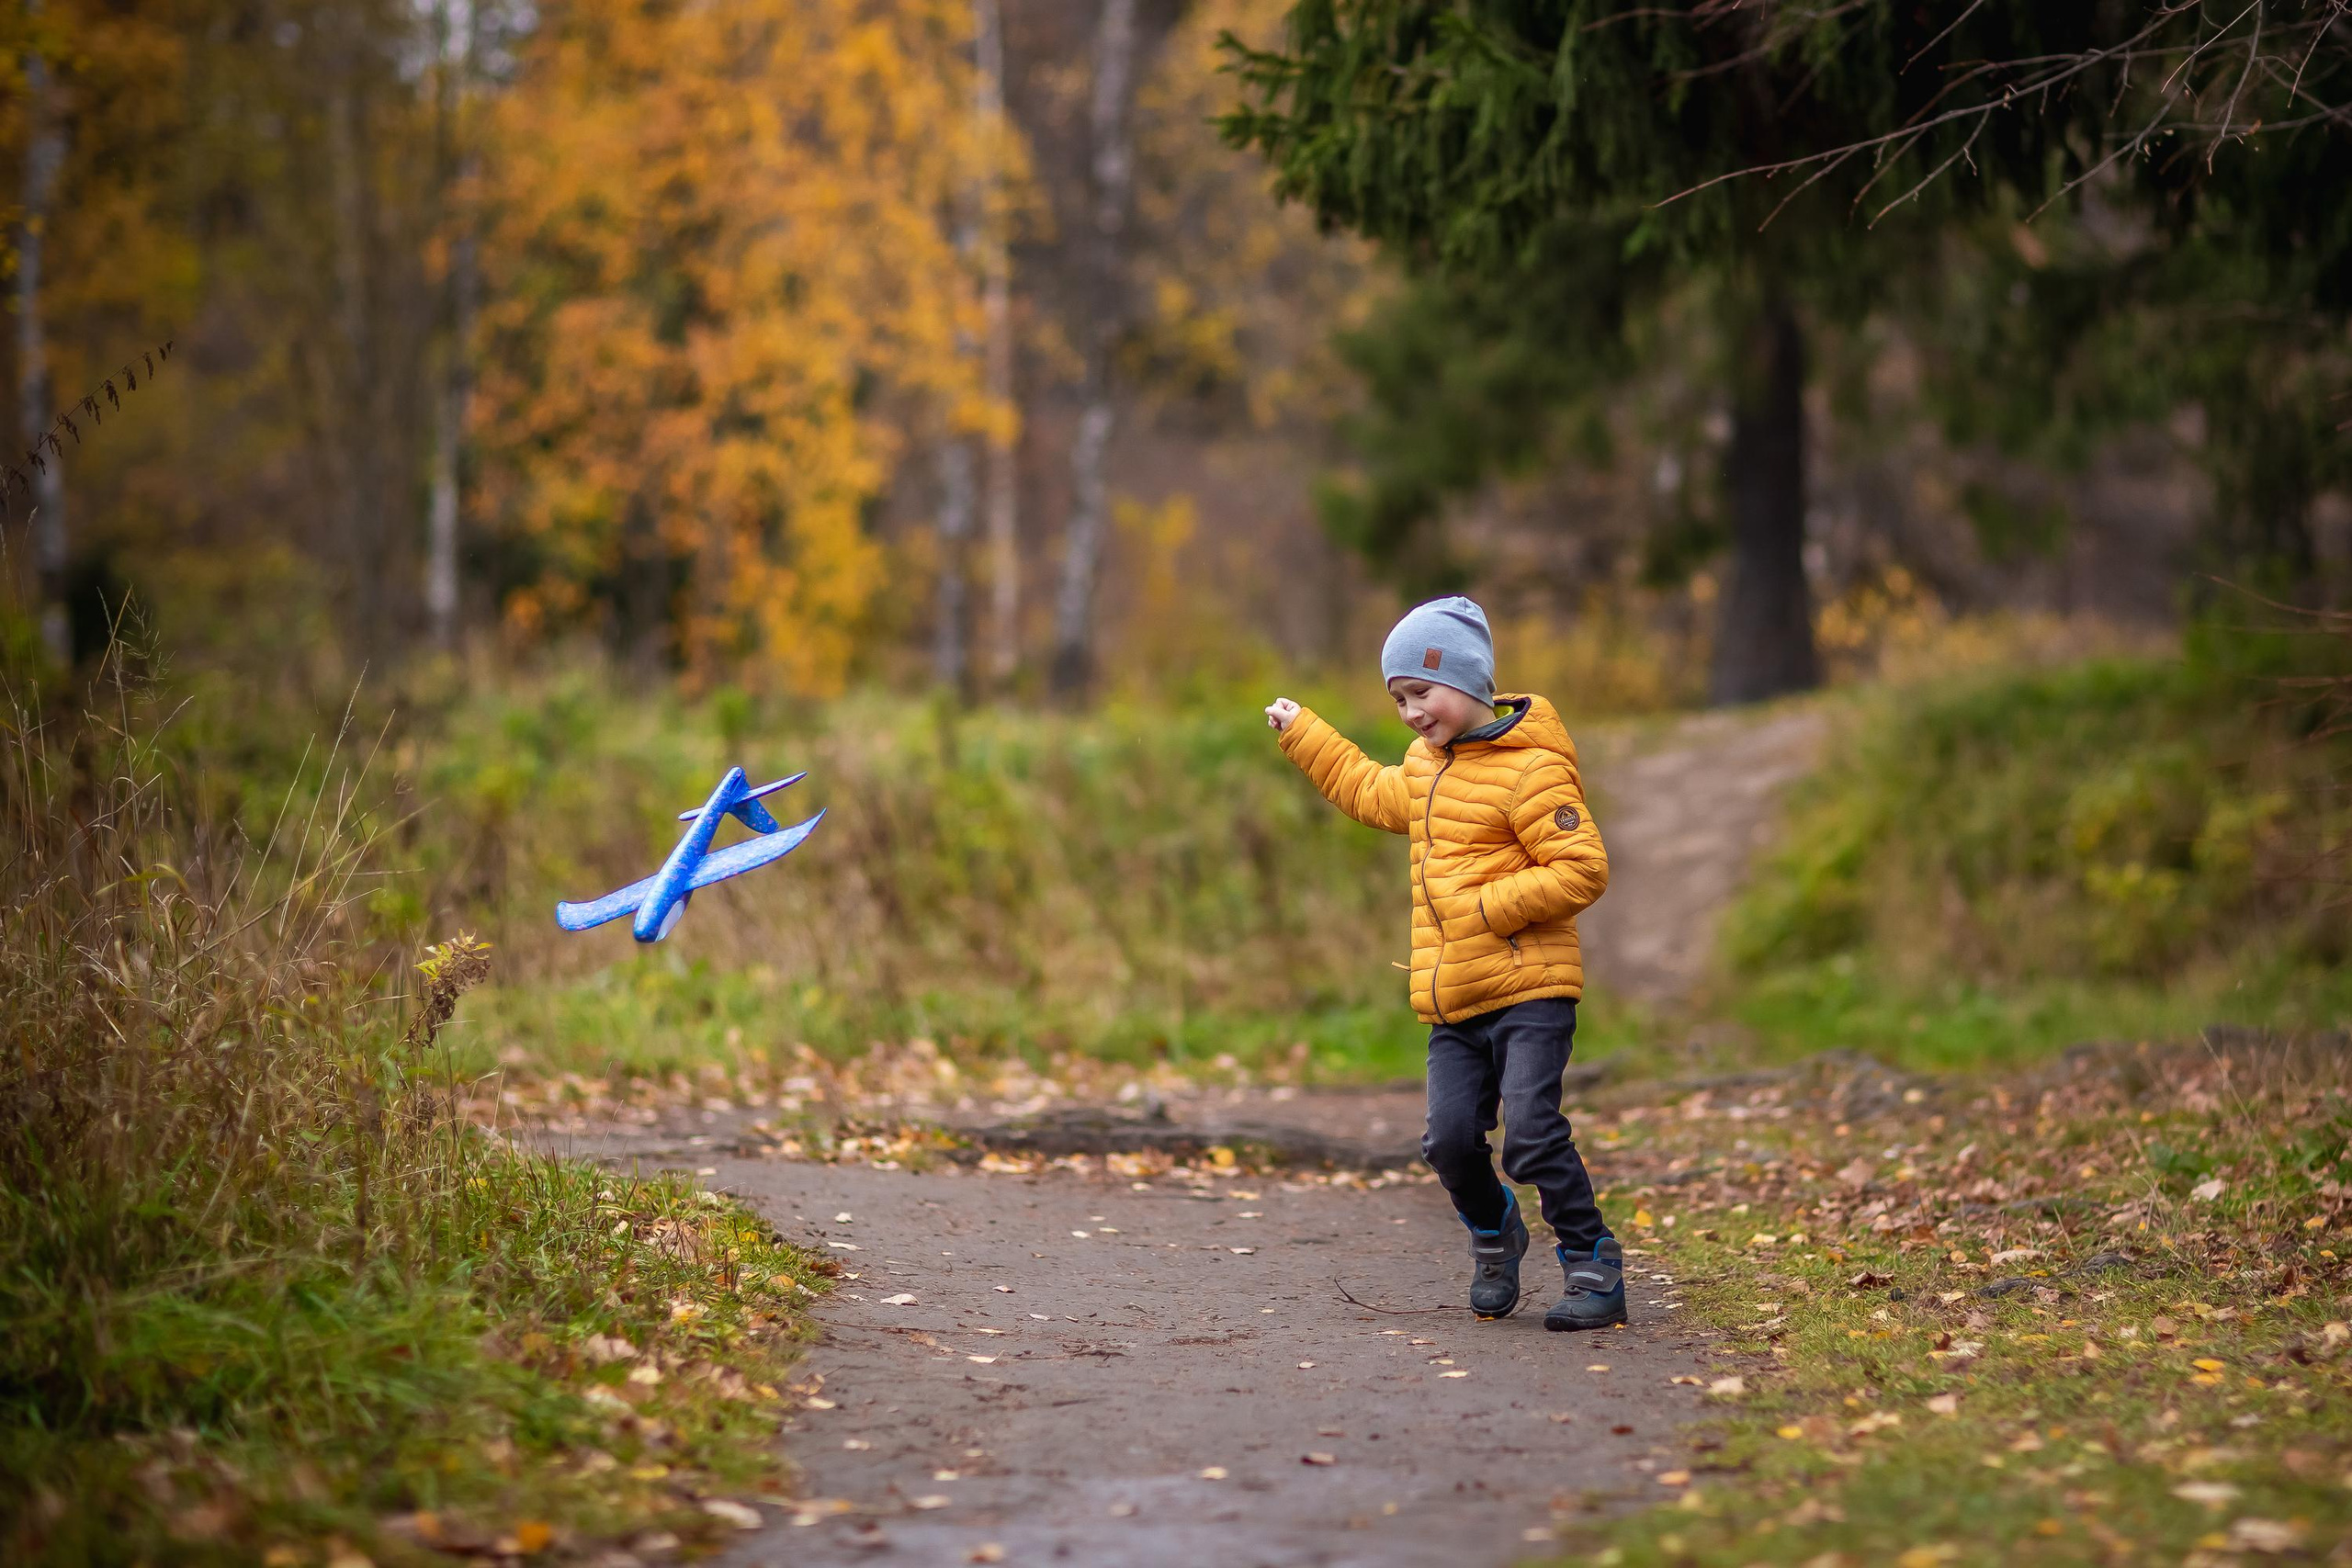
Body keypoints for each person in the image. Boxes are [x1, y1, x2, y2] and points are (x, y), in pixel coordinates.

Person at [1264, 596, 1623, 1330]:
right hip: (1455, 998)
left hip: (1530, 988)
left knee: (1529, 1130)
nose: (1409, 713)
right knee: (1449, 1139)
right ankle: (1495, 1234)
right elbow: (1366, 789)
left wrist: (1488, 908)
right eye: (1397, 699)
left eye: (1420, 693)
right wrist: (1305, 732)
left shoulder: (1531, 772)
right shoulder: (1425, 770)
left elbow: (1583, 867)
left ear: (1466, 682)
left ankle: (1592, 1259)